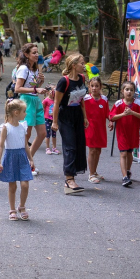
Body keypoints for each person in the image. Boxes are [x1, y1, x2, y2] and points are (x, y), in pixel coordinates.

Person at [51, 54, 88, 194]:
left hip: (77, 114)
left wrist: (85, 117)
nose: (84, 66)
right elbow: (56, 103)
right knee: (70, 146)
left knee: (78, 145)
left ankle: (72, 177)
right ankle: (69, 179)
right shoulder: (64, 81)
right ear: (73, 65)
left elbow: (81, 99)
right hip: (65, 116)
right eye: (82, 63)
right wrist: (54, 122)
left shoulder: (82, 78)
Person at [0, 99, 34, 221]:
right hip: (10, 158)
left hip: (22, 157)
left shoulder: (23, 126)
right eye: (24, 111)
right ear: (16, 113)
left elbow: (26, 145)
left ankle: (22, 206)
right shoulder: (6, 128)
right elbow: (1, 145)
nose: (26, 113)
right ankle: (12, 209)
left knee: (25, 184)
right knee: (12, 186)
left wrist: (31, 159)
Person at [13, 44, 48, 170]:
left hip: (36, 101)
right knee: (26, 135)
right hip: (26, 102)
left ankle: (28, 160)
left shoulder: (36, 69)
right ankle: (22, 163)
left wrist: (40, 83)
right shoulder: (23, 68)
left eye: (37, 52)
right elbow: (17, 88)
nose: (36, 55)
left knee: (42, 133)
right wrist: (36, 88)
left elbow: (34, 86)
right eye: (33, 52)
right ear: (26, 55)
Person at [109, 81, 140, 187]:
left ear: (134, 92)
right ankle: (124, 176)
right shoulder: (118, 104)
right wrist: (123, 114)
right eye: (127, 89)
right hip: (122, 133)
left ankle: (128, 170)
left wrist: (132, 112)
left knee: (129, 153)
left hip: (133, 132)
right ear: (122, 91)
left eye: (131, 90)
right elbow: (112, 117)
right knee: (123, 153)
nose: (129, 92)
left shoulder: (138, 104)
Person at [83, 76, 109, 184]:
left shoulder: (104, 99)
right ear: (89, 87)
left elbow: (108, 112)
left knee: (98, 150)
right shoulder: (85, 99)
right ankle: (91, 174)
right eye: (92, 86)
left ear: (100, 87)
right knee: (92, 150)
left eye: (96, 86)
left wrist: (111, 120)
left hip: (101, 128)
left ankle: (95, 171)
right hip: (90, 127)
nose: (94, 88)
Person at [42, 87, 58, 155]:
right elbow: (42, 109)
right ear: (47, 92)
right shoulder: (46, 100)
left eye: (54, 90)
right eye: (51, 90)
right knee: (47, 134)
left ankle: (54, 148)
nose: (53, 91)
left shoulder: (56, 100)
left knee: (54, 134)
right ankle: (47, 148)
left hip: (54, 119)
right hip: (47, 119)